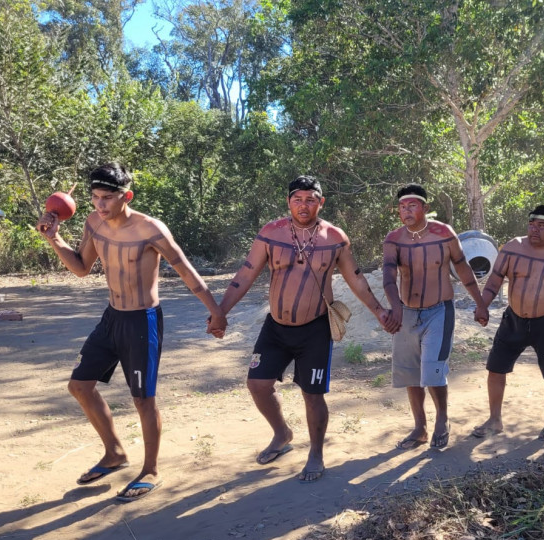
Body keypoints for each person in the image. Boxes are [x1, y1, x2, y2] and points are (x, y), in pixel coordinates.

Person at [36, 162, 224, 501]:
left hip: (142, 321)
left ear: (127, 196)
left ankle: (151, 469)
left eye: (107, 198)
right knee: (79, 386)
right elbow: (81, 268)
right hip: (112, 318)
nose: (100, 205)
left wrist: (216, 312)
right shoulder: (94, 223)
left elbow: (186, 270)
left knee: (142, 399)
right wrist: (54, 238)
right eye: (95, 197)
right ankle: (114, 453)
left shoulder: (151, 229)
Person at [211, 175, 390, 482]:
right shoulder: (271, 233)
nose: (303, 205)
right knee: (257, 384)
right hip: (276, 328)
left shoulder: (334, 238)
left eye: (310, 199)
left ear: (321, 202)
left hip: (315, 329)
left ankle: (316, 454)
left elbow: (357, 279)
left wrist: (379, 311)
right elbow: (246, 273)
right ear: (288, 202)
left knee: (312, 394)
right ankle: (282, 434)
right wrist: (220, 312)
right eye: (297, 199)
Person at [471, 205, 544, 441]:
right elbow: (495, 279)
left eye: (542, 226)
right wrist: (482, 305)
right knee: (495, 368)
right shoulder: (512, 248)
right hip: (514, 319)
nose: (534, 230)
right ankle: (495, 419)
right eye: (531, 225)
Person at [383, 184, 489, 450]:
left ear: (425, 208)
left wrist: (480, 304)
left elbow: (463, 269)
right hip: (407, 313)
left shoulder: (443, 234)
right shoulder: (394, 239)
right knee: (410, 373)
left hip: (439, 311)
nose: (406, 211)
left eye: (412, 206)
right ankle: (419, 427)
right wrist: (396, 307)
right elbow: (389, 277)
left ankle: (442, 419)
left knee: (433, 369)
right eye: (402, 207)